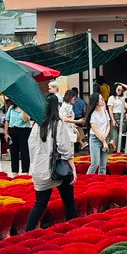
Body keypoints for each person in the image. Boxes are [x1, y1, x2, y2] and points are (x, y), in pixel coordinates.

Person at [26, 93, 77, 230]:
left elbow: (31, 145)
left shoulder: (38, 125)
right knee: (69, 202)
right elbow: (65, 148)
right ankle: (72, 229)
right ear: (57, 107)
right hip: (57, 170)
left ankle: (27, 232)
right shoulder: (58, 124)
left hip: (40, 170)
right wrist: (73, 168)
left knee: (40, 204)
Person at [86, 91, 114, 174]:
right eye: (101, 99)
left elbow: (108, 125)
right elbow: (95, 130)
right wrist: (104, 142)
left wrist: (105, 137)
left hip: (104, 137)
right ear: (96, 102)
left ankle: (101, 182)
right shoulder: (93, 114)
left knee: (103, 165)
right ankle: (86, 179)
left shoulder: (105, 112)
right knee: (95, 163)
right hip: (95, 139)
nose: (103, 100)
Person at [5, 100, 32, 175]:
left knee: (24, 152)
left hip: (24, 131)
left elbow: (26, 119)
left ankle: (25, 171)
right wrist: (6, 133)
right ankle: (14, 171)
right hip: (12, 130)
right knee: (13, 152)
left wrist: (23, 108)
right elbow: (7, 120)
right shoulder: (11, 108)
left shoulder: (26, 108)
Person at [110, 84, 127, 152]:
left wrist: (122, 84)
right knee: (115, 134)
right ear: (115, 89)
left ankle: (122, 148)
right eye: (118, 89)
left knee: (124, 133)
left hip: (123, 115)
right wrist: (113, 120)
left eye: (121, 90)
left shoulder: (123, 96)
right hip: (115, 115)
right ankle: (115, 149)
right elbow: (110, 110)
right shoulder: (112, 98)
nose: (120, 91)